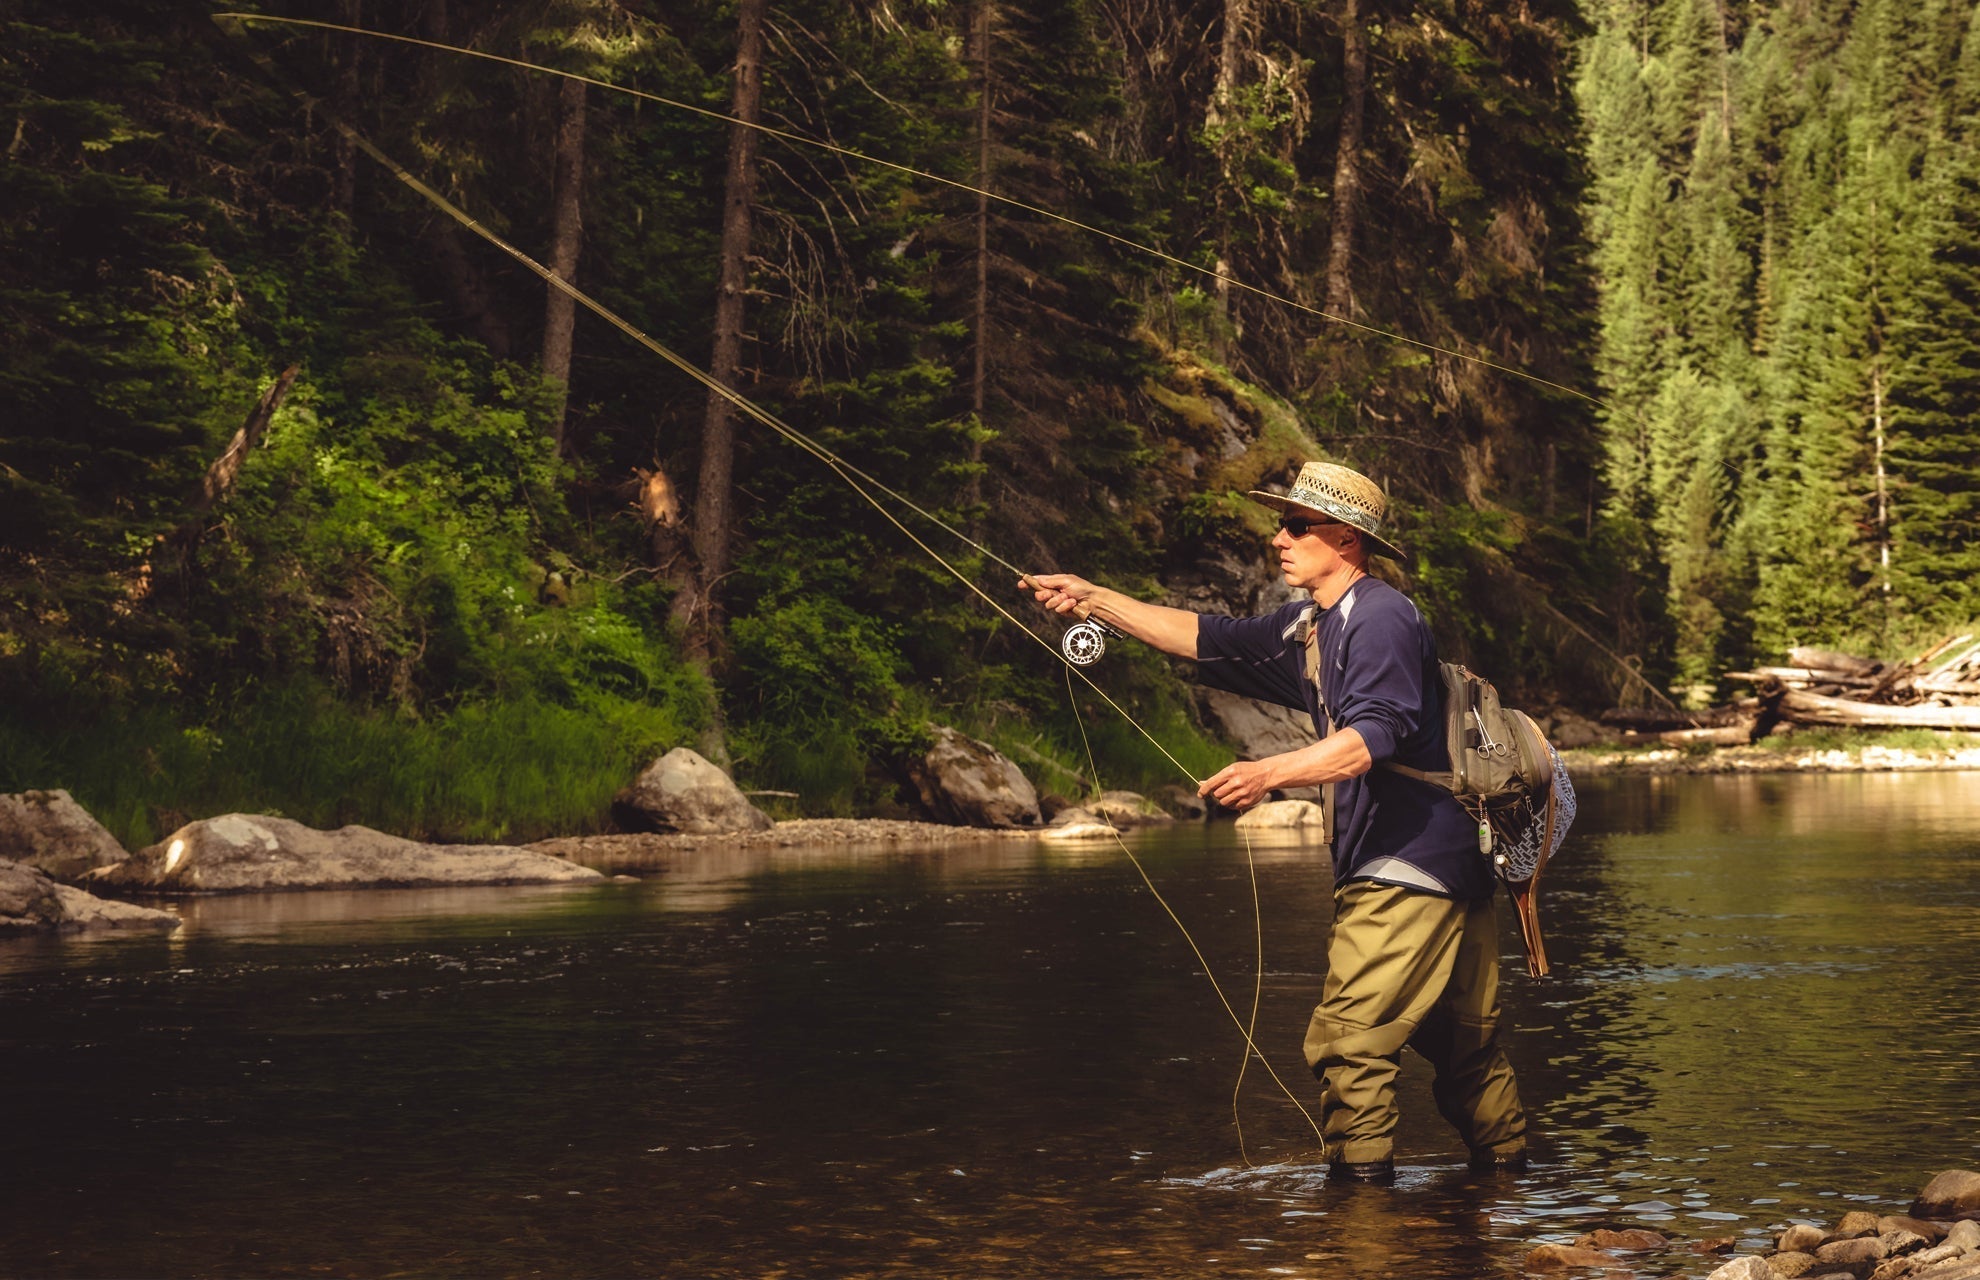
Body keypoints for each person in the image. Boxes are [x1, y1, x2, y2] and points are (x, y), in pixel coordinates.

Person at [1023, 460, 1527, 1183]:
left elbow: (1373, 737)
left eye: (1296, 525)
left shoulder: (1381, 618)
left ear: (1347, 540)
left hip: (1402, 869)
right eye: (1280, 523)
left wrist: (1268, 773)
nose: (1278, 538)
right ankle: (1513, 1207)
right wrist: (1096, 599)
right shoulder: (1311, 624)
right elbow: (1206, 636)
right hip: (1450, 866)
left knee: (1351, 1047)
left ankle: (1361, 1231)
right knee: (1463, 1051)